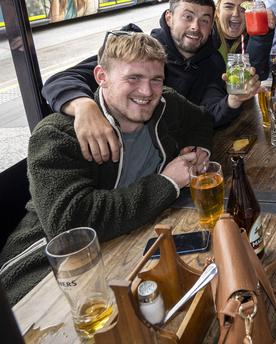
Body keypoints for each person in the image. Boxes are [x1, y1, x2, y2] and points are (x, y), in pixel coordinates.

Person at [0, 32, 214, 305]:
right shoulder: (57, 135)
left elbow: (202, 122)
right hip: (43, 274)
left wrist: (200, 152)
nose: (146, 92)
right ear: (101, 77)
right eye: (133, 78)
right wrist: (167, 183)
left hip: (127, 247)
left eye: (156, 80)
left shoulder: (166, 105)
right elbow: (71, 224)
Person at [42, 0, 255, 164]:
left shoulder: (211, 63)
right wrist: (84, 106)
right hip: (112, 160)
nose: (195, 27)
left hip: (165, 160)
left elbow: (208, 115)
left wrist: (232, 101)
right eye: (187, 17)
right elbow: (60, 81)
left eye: (204, 20)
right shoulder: (140, 51)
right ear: (169, 18)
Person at [214, 0, 275, 81]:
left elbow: (258, 74)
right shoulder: (205, 37)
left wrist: (261, 36)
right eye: (229, 7)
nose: (236, 14)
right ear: (217, 11)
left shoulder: (250, 37)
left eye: (242, 9)